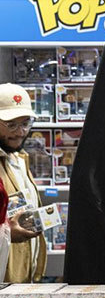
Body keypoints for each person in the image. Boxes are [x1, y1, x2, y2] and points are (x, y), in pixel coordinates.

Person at [0, 85, 45, 282]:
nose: (20, 132)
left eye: (26, 123)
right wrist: (7, 234)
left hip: (22, 280)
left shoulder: (18, 158)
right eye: (11, 125)